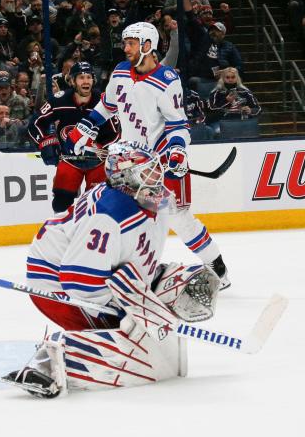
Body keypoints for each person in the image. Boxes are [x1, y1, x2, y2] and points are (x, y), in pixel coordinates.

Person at [0, 142, 221, 398]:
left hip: (102, 269)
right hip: (56, 282)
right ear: (125, 177)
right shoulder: (109, 216)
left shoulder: (148, 197)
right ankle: (49, 362)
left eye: (156, 170)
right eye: (148, 172)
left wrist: (208, 260)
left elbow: (180, 222)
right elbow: (79, 282)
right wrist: (128, 312)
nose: (157, 176)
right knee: (129, 334)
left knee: (154, 298)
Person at [69, 22, 231, 288]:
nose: (126, 48)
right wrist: (85, 128)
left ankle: (217, 268)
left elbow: (177, 125)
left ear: (147, 46)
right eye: (125, 42)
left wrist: (177, 151)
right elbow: (107, 106)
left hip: (161, 161)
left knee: (179, 219)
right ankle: (121, 272)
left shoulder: (166, 80)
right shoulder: (120, 72)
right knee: (121, 215)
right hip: (128, 163)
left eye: (131, 43)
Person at [28, 62, 120, 212]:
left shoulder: (103, 102)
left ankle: (92, 233)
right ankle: (65, 232)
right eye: (81, 77)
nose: (85, 81)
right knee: (60, 204)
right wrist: (44, 141)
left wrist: (101, 147)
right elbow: (36, 123)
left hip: (98, 161)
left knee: (98, 204)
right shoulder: (59, 100)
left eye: (89, 77)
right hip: (69, 160)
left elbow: (117, 133)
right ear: (72, 81)